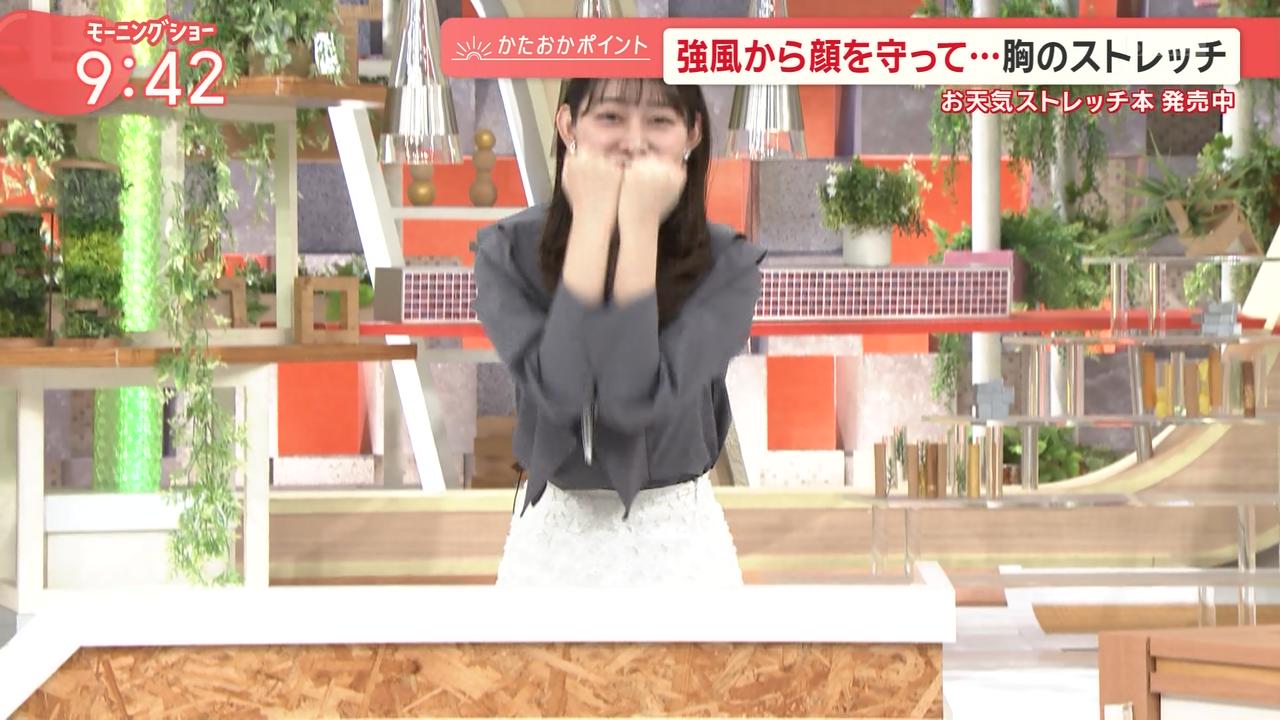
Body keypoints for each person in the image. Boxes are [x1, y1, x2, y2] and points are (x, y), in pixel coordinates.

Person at [473, 78, 765, 588]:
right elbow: (561, 390)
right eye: (610, 117)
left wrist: (639, 228)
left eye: (659, 121)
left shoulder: (726, 265)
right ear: (568, 126)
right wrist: (592, 222)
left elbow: (632, 399)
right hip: (552, 552)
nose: (633, 141)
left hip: (678, 553)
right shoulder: (507, 250)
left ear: (693, 133)